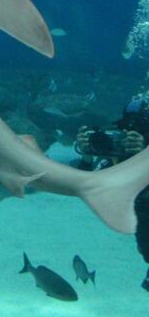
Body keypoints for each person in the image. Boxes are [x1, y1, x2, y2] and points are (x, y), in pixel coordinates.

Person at [75, 91, 149, 290]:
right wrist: (87, 157)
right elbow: (87, 186)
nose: (129, 138)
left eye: (141, 133)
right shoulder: (118, 154)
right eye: (125, 131)